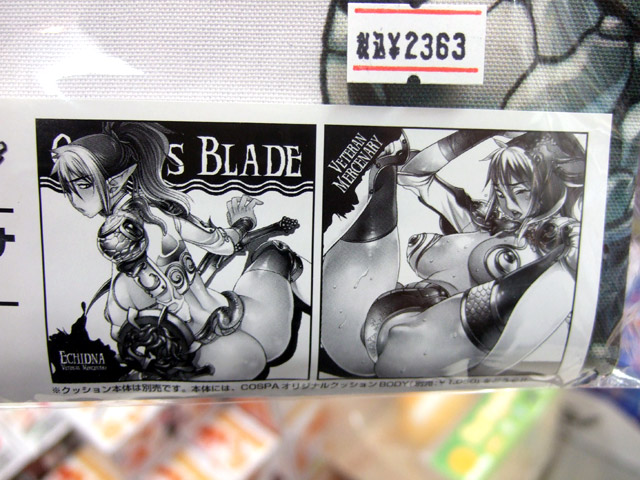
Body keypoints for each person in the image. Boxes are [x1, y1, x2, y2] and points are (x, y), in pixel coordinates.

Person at [52, 121, 303, 381]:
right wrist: (243, 223)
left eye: (81, 185)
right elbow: (223, 243)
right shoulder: (161, 214)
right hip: (243, 323)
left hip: (208, 353)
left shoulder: (121, 240)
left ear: (115, 182)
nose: (73, 198)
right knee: (277, 254)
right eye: (67, 187)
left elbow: (119, 323)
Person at [323, 129, 584, 378]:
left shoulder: (551, 255)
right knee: (383, 166)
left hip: (428, 350)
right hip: (362, 323)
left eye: (521, 192)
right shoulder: (479, 226)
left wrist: (568, 262)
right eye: (501, 192)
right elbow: (413, 174)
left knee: (404, 349)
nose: (509, 205)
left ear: (548, 189)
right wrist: (481, 132)